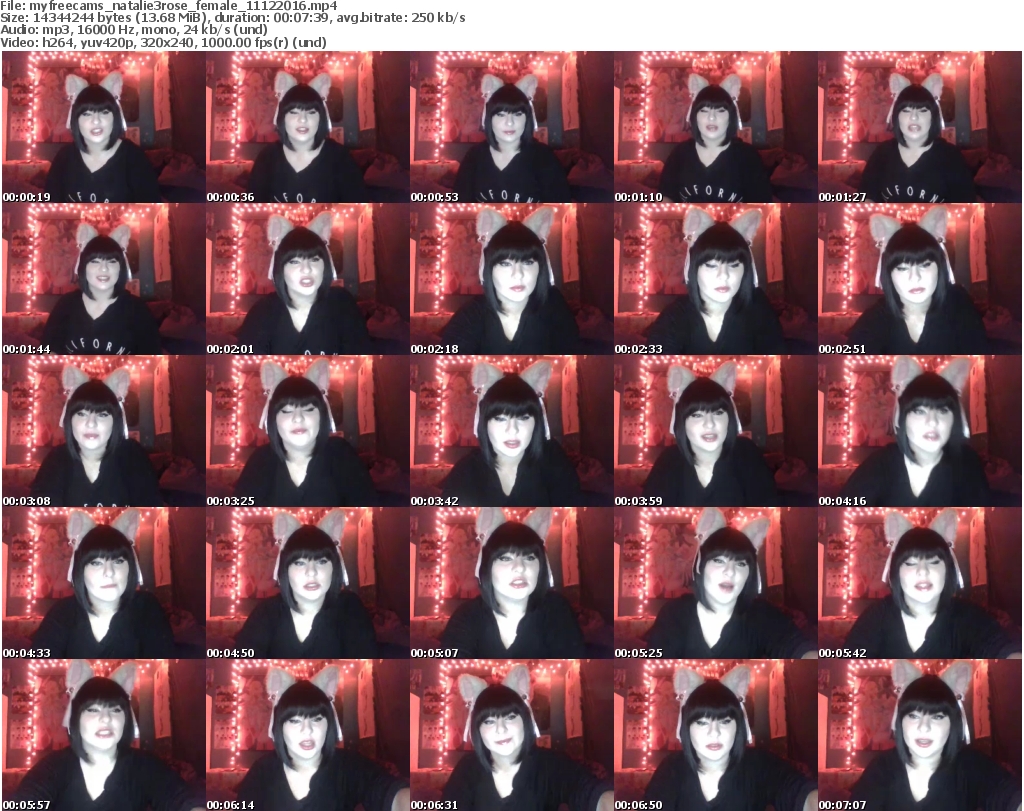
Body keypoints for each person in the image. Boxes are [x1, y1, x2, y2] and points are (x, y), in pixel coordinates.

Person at [8, 661, 203, 810]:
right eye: (93, 710)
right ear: (76, 719)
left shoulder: (144, 766)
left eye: (115, 710)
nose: (106, 718)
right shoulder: (54, 767)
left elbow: (180, 799)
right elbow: (28, 798)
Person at [844, 510, 1020, 658]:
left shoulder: (969, 618)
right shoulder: (875, 617)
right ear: (896, 572)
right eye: (911, 563)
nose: (923, 571)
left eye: (934, 562)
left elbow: (1001, 648)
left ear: (947, 570)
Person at [851, 661, 1021, 810]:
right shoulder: (881, 769)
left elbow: (1007, 795)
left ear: (952, 723)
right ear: (900, 721)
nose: (924, 728)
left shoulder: (970, 765)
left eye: (937, 717)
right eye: (913, 716)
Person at [644, 508, 814, 658]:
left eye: (740, 564)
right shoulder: (673, 614)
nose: (730, 571)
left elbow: (795, 646)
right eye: (719, 561)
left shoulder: (760, 615)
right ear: (700, 566)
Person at [644, 666, 817, 810]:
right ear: (687, 727)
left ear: (738, 726)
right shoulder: (671, 769)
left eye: (725, 721)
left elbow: (801, 794)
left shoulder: (759, 764)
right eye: (702, 722)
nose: (714, 732)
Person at [236, 666, 410, 810]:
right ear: (280, 727)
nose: (307, 730)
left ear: (329, 724)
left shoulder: (348, 766)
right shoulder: (262, 771)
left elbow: (389, 792)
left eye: (317, 719)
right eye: (295, 721)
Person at [444, 666, 613, 810]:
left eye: (510, 717)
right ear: (477, 729)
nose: (501, 729)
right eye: (489, 721)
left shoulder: (550, 765)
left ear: (525, 721)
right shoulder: (467, 769)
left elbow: (591, 793)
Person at [840, 357, 990, 506]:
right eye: (919, 411)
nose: (932, 422)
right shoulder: (880, 464)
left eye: (943, 410)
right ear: (903, 418)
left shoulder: (967, 462)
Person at [440, 508, 585, 657]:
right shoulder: (466, 616)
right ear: (487, 567)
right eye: (505, 558)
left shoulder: (556, 609)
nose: (520, 568)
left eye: (529, 558)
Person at [31, 510, 176, 657]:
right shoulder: (61, 613)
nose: (109, 572)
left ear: (130, 567)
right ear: (81, 570)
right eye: (96, 563)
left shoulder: (146, 607)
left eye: (118, 561)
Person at [234, 360, 378, 506]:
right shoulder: (260, 460)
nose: (298, 418)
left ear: (321, 416)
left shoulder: (341, 454)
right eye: (287, 411)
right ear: (273, 419)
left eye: (308, 409)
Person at [235, 510, 378, 656]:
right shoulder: (266, 612)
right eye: (300, 563)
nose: (311, 572)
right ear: (285, 570)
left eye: (321, 561)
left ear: (334, 568)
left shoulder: (349, 607)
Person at [441, 360, 584, 506]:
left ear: (536, 421)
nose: (512, 430)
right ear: (484, 423)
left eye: (523, 418)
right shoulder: (466, 471)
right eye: (500, 419)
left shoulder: (552, 459)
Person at [846, 207, 988, 353]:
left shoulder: (958, 303)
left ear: (939, 267)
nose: (915, 277)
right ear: (889, 274)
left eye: (925, 265)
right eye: (902, 268)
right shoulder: (876, 318)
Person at [440, 207, 580, 353]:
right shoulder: (471, 315)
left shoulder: (554, 304)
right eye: (505, 264)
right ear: (489, 269)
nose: (518, 274)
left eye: (528, 262)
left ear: (540, 267)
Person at [646, 208, 785, 353]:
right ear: (694, 269)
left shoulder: (758, 307)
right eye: (711, 266)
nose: (723, 275)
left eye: (734, 265)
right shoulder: (674, 316)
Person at [642, 362, 779, 506]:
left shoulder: (746, 453)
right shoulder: (668, 460)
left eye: (718, 413)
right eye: (697, 415)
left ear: (729, 418)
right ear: (683, 422)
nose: (710, 424)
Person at [236, 212, 372, 354]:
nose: (306, 269)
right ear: (281, 269)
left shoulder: (342, 303)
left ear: (325, 265)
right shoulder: (262, 311)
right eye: (295, 262)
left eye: (314, 260)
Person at [31, 366, 163, 507]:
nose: (91, 423)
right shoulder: (56, 459)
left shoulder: (132, 454)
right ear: (70, 420)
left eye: (102, 415)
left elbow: (149, 503)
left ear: (115, 421)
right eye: (82, 414)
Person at [246, 71, 368, 203]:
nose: (303, 119)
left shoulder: (340, 158)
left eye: (311, 112)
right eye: (294, 112)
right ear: (282, 118)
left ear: (321, 118)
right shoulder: (267, 157)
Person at [41, 223, 161, 355]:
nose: (104, 268)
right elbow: (48, 352)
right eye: (95, 262)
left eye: (111, 262)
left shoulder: (138, 309)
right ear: (83, 267)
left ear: (120, 268)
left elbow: (152, 355)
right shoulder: (66, 305)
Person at [453, 74, 572, 203]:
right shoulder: (474, 156)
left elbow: (559, 206)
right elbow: (458, 203)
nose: (509, 122)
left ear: (527, 118)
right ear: (489, 119)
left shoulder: (544, 157)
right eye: (500, 114)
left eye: (517, 114)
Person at [44, 72, 161, 203]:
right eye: (87, 114)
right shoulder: (64, 157)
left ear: (115, 117)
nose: (96, 121)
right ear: (76, 120)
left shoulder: (134, 158)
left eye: (104, 112)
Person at [859, 74, 975, 203]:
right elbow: (866, 198)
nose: (914, 117)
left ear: (933, 117)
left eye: (922, 110)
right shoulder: (882, 153)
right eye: (906, 111)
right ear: (896, 116)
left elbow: (965, 204)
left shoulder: (951, 157)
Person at [658, 74, 773, 204]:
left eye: (720, 111)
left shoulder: (748, 156)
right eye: (704, 111)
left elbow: (760, 205)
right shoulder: (680, 153)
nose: (711, 117)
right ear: (695, 116)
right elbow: (664, 197)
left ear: (731, 117)